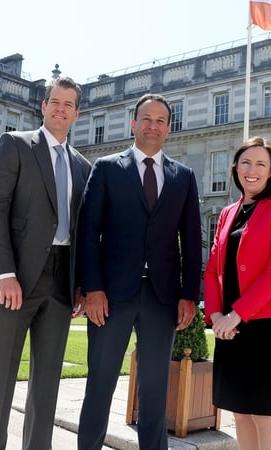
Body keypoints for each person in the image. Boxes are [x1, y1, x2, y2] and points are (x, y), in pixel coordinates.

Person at [76, 93, 202, 450]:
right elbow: (89, 231)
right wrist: (92, 288)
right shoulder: (106, 168)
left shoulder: (183, 177)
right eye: (146, 119)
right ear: (133, 124)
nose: (153, 126)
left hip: (163, 298)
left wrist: (189, 295)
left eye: (161, 120)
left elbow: (192, 240)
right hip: (111, 295)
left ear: (169, 128)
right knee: (100, 383)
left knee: (155, 388)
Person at [0, 76, 92, 450]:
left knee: (47, 381)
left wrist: (80, 285)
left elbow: (83, 231)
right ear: (43, 106)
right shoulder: (15, 145)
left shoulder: (83, 166)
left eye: (68, 104)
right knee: (0, 374)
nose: (60, 109)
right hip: (16, 278)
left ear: (77, 113)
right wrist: (4, 271)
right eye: (54, 102)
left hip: (61, 280)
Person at [204, 136, 271, 450]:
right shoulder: (226, 213)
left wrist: (236, 315)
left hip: (265, 324)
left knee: (262, 412)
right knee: (239, 411)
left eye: (261, 164)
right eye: (246, 162)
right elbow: (212, 269)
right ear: (236, 168)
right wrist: (217, 315)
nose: (252, 169)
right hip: (228, 325)